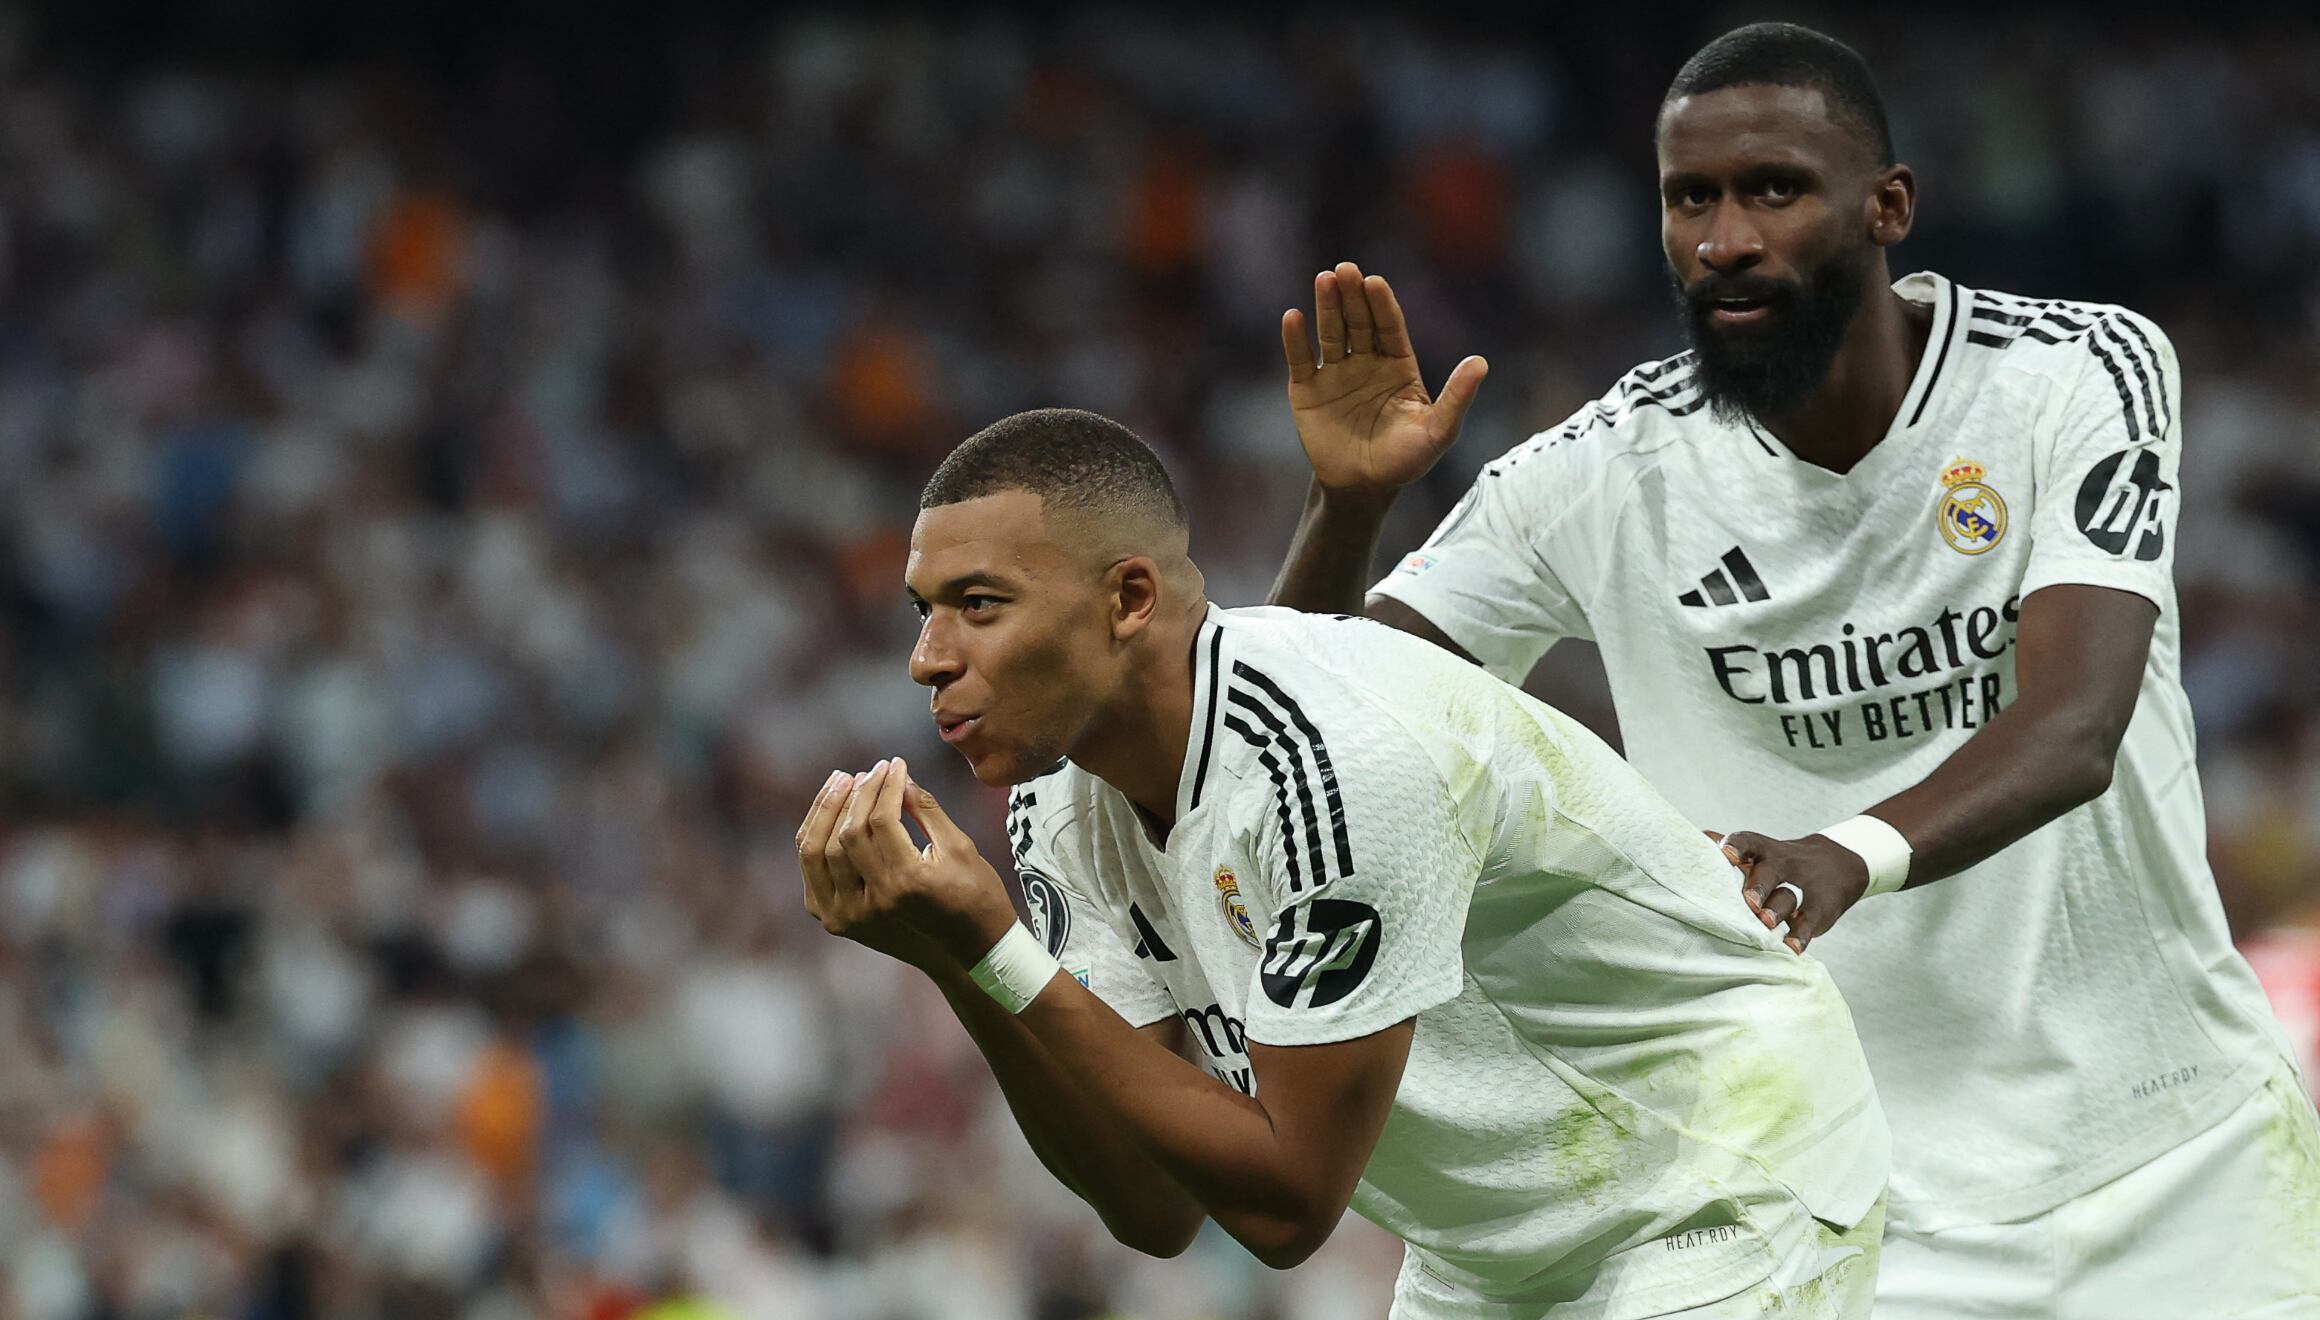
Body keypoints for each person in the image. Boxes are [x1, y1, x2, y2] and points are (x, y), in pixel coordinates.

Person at [1266, 20, 2320, 1318]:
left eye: (1773, 189)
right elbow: (1305, 741)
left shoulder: (2072, 374)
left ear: (1887, 208)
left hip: (2172, 1170)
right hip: (1829, 1194)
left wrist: (1840, 857)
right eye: (1689, 200)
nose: (1725, 240)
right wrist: (1350, 509)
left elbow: (2075, 721)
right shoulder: (1602, 473)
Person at [794, 407, 1890, 1318]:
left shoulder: (1335, 758)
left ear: (1128, 600)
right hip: (1493, 1250)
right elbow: (1153, 1204)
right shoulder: (1059, 798)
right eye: (923, 610)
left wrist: (991, 942)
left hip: (1714, 1179)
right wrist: (963, 964)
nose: (925, 657)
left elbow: (1285, 1207)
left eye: (976, 605)